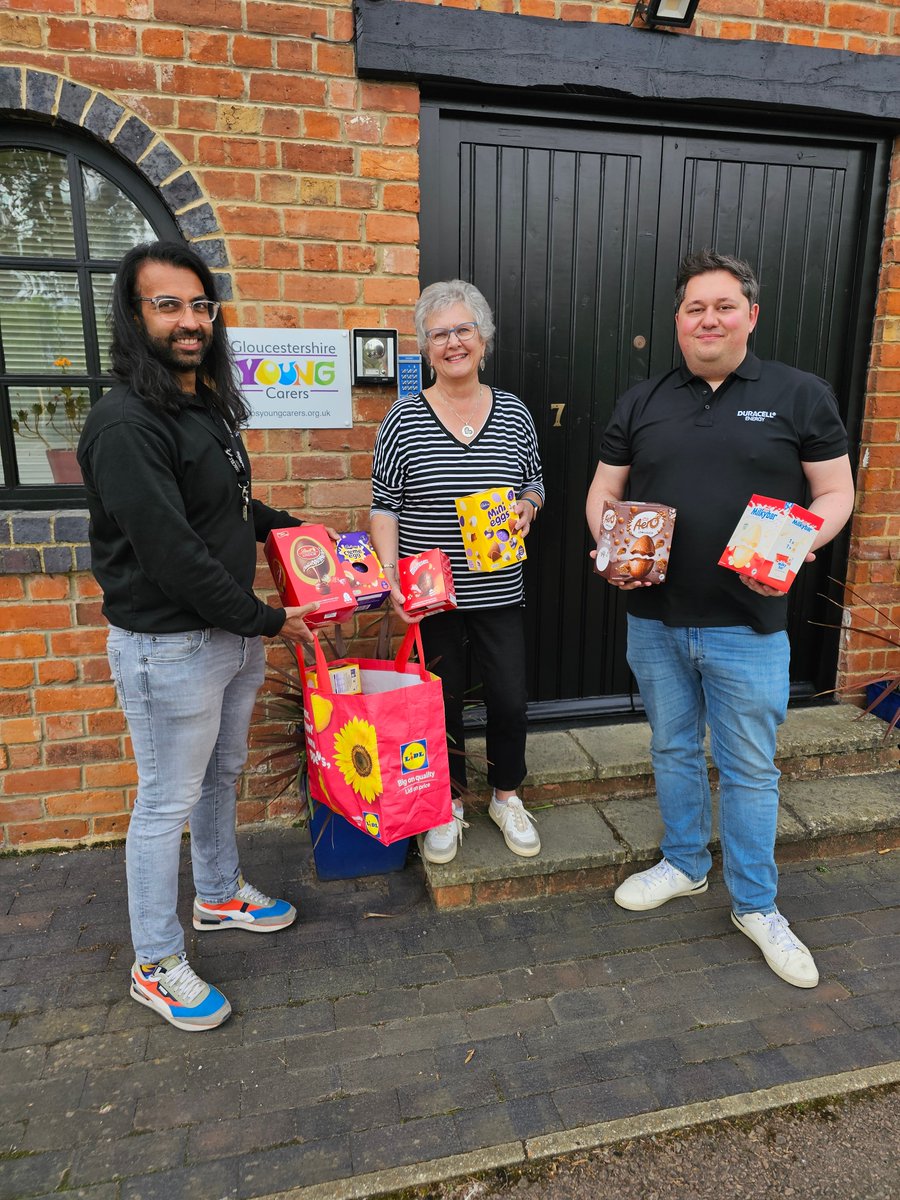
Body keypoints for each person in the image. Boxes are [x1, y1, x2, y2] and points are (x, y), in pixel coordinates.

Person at [586, 249, 855, 989]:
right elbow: (603, 493)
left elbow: (836, 492)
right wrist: (611, 545)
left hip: (749, 621)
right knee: (672, 748)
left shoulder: (799, 394)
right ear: (678, 322)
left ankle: (758, 905)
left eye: (724, 306)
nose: (709, 318)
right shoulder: (642, 401)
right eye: (695, 308)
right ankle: (682, 863)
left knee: (747, 768)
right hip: (656, 618)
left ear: (750, 315)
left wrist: (801, 541)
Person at [77, 241, 319, 1031]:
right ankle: (154, 962)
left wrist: (302, 537)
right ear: (135, 315)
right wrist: (271, 619)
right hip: (170, 648)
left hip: (229, 638)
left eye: (199, 305)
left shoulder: (199, 405)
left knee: (220, 777)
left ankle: (217, 895)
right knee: (164, 802)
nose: (189, 321)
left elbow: (227, 513)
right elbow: (172, 552)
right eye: (167, 305)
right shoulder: (124, 422)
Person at [370, 279, 545, 864]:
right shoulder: (403, 418)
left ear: (483, 339)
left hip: (499, 585)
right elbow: (384, 506)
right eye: (439, 333)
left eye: (462, 329)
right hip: (431, 593)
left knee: (509, 699)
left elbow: (534, 483)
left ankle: (505, 795)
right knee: (437, 705)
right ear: (424, 344)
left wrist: (526, 507)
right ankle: (445, 804)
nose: (452, 342)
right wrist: (391, 577)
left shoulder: (515, 413)